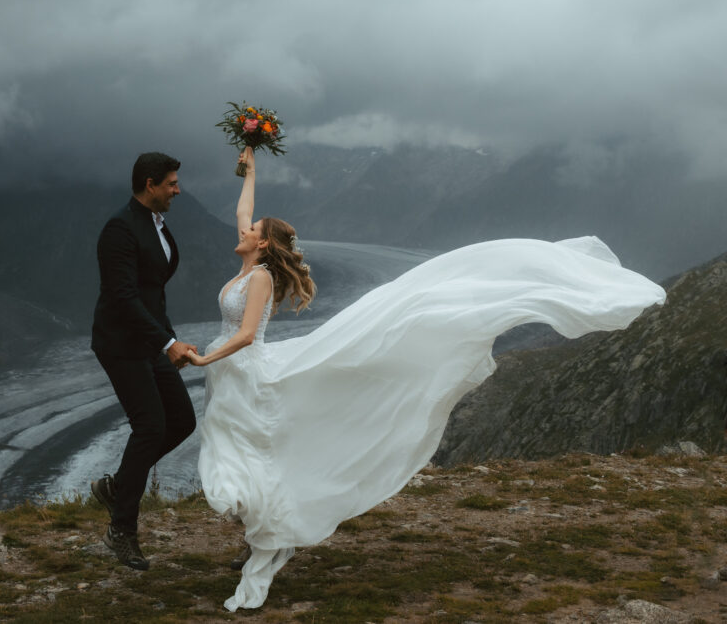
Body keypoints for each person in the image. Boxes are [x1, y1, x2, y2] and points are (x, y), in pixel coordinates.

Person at [188, 146, 666, 611]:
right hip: (231, 377)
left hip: (247, 371)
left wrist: (206, 361)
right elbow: (244, 210)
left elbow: (249, 335)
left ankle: (270, 534)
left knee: (251, 457)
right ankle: (264, 535)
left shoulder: (263, 278)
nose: (244, 228)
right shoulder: (246, 265)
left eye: (251, 230)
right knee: (246, 455)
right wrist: (250, 164)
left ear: (264, 243)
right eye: (246, 227)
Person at [90, 151, 198, 571]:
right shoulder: (120, 228)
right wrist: (166, 341)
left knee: (182, 421)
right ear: (150, 184)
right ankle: (122, 531)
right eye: (172, 183)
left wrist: (167, 338)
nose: (177, 190)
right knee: (150, 425)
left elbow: (153, 292)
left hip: (150, 341)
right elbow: (123, 297)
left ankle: (119, 486)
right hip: (121, 343)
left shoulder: (156, 223)